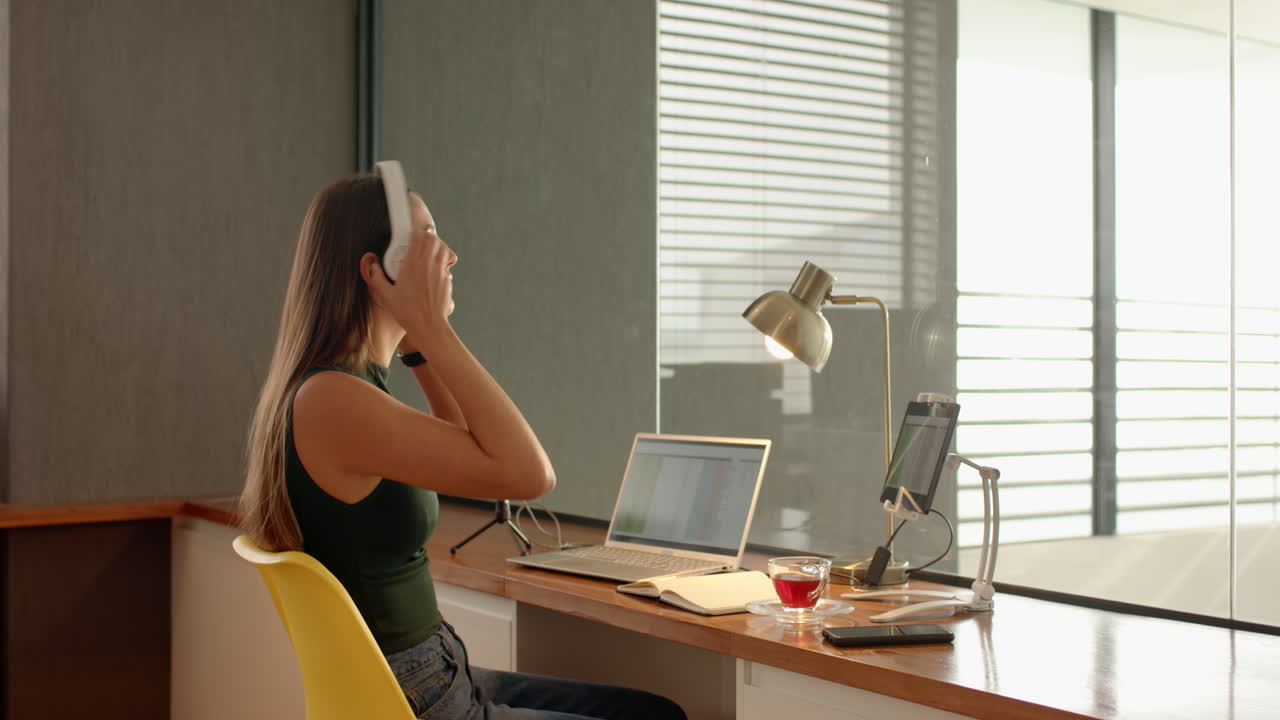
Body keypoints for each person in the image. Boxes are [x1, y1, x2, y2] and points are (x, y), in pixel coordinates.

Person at [240, 172, 687, 720]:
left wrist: (419, 345)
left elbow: (463, 453)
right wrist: (430, 327)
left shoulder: (340, 387)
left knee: (655, 710)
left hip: (431, 673)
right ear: (376, 271)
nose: (450, 256)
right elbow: (528, 475)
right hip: (418, 693)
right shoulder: (333, 400)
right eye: (429, 240)